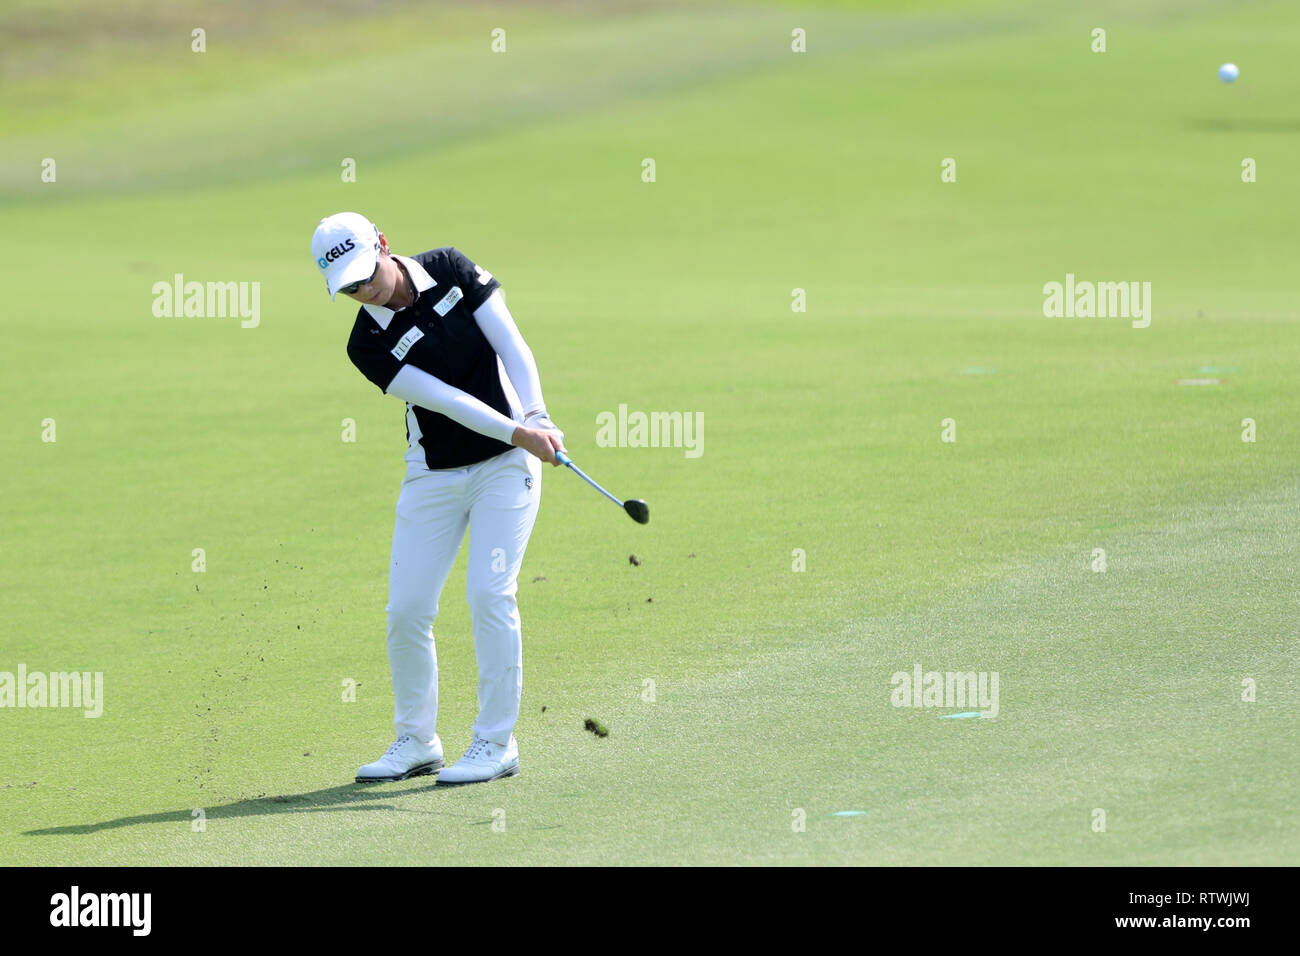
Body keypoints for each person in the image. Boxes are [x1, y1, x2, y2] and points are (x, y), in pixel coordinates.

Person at [310, 212, 566, 786]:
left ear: (383, 244)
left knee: (489, 594)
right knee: (406, 609)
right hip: (434, 475)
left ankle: (495, 743)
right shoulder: (365, 343)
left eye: (365, 273)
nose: (363, 289)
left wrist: (536, 416)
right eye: (348, 286)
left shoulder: (450, 268)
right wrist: (517, 429)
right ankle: (417, 741)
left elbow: (511, 343)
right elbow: (444, 398)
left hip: (507, 468)